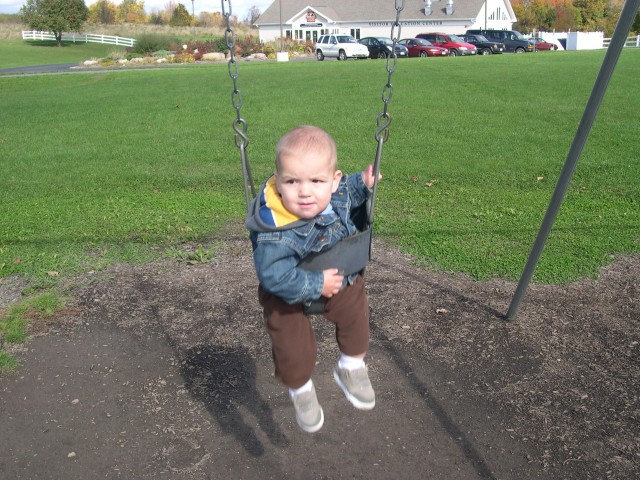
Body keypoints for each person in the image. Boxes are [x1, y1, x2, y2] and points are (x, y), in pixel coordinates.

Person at [245, 125, 380, 433]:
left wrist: (364, 182)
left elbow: (348, 192)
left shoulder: (334, 195)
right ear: (278, 183)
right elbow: (272, 276)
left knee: (355, 301)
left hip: (335, 277)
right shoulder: (274, 227)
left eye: (316, 181)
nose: (305, 191)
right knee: (291, 343)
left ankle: (351, 366)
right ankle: (300, 390)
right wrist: (316, 284)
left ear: (333, 181)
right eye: (292, 181)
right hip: (286, 292)